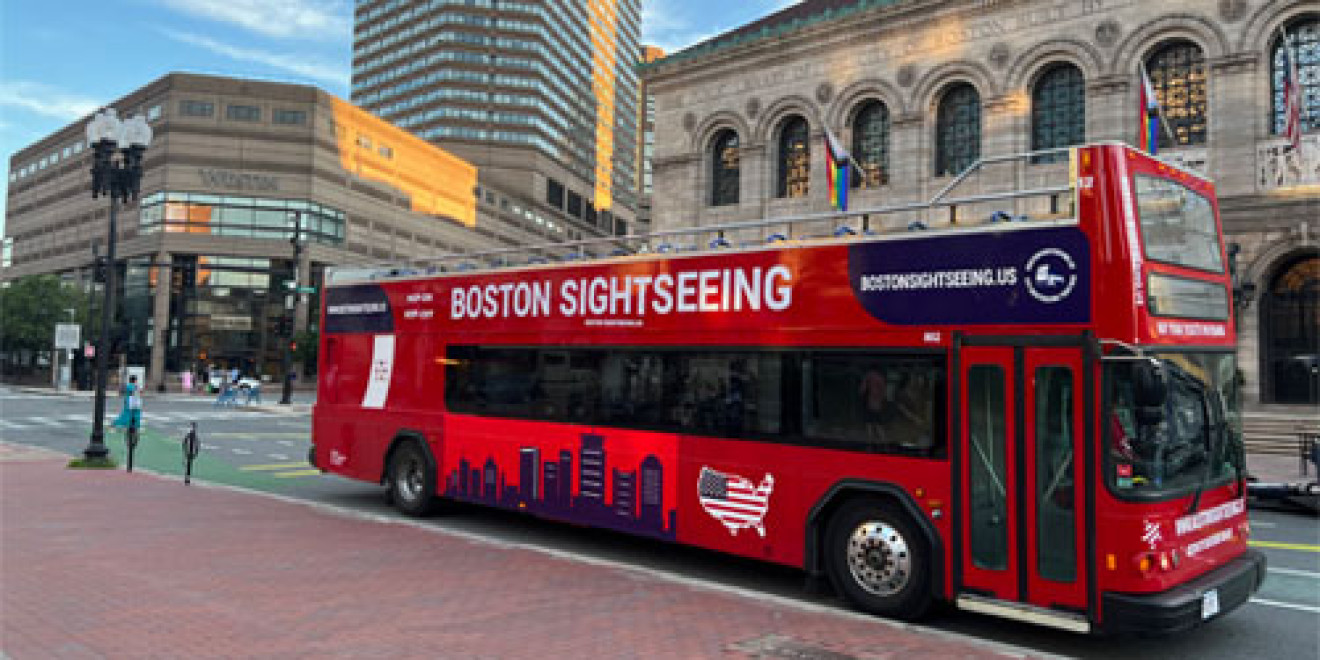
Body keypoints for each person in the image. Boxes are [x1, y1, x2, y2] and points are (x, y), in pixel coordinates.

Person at [859, 366, 889, 443]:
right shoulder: (879, 377)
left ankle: (878, 441)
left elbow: (863, 388)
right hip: (875, 402)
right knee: (872, 423)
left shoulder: (870, 375)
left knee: (873, 423)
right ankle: (876, 441)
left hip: (873, 402)